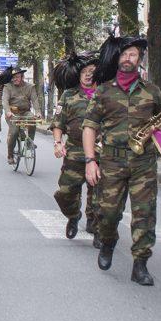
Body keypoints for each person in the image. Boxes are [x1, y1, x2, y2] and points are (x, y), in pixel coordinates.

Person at [82, 36, 161, 287]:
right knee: (107, 213)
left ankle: (140, 264)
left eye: (133, 54)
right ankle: (107, 242)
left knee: (145, 214)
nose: (128, 59)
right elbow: (89, 127)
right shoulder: (103, 91)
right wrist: (90, 161)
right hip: (111, 161)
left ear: (139, 59)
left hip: (144, 162)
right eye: (124, 54)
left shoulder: (152, 91)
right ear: (116, 58)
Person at [51, 52, 100, 244]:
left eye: (92, 71)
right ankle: (73, 215)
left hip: (99, 154)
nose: (88, 75)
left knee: (98, 195)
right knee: (65, 193)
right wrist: (57, 143)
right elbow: (58, 122)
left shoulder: (103, 94)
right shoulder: (69, 95)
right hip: (73, 152)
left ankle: (96, 227)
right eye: (85, 71)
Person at [2, 66, 41, 166]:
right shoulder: (7, 87)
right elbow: (5, 101)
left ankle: (29, 143)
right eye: (13, 77)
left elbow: (35, 100)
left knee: (32, 120)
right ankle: (10, 155)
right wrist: (8, 111)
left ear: (22, 77)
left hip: (25, 112)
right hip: (12, 114)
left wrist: (38, 112)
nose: (15, 79)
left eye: (17, 77)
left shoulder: (30, 87)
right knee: (14, 132)